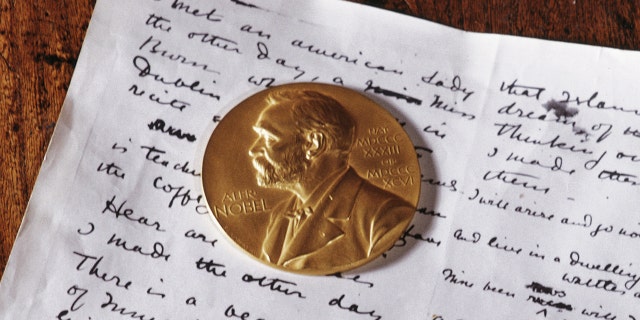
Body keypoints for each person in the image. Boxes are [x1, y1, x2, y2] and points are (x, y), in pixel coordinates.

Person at [248, 89, 414, 271]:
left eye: (268, 138)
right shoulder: (281, 214)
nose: (253, 150)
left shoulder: (385, 218)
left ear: (314, 144)